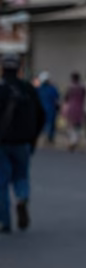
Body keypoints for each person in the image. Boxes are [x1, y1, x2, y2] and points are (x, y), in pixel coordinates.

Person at [0, 54, 45, 233]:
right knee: (21, 175)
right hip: (23, 142)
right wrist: (33, 137)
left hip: (2, 143)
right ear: (19, 69)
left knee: (1, 182)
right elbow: (41, 115)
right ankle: (22, 198)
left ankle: (5, 222)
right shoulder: (27, 89)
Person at [63, 72, 86, 151]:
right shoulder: (82, 88)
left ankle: (73, 141)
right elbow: (85, 96)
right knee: (78, 125)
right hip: (80, 107)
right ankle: (76, 140)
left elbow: (66, 98)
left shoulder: (70, 87)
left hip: (72, 107)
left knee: (71, 125)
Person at [35, 72, 60, 148]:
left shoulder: (38, 89)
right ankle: (50, 138)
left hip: (41, 109)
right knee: (51, 124)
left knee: (42, 124)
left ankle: (45, 137)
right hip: (50, 109)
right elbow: (57, 99)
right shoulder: (52, 88)